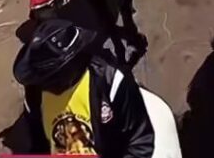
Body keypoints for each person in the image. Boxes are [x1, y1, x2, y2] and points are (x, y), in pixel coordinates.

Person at [14, 19, 157, 158]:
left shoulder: (111, 82)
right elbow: (39, 143)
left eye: (50, 78)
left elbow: (140, 142)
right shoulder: (35, 92)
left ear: (71, 65)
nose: (46, 85)